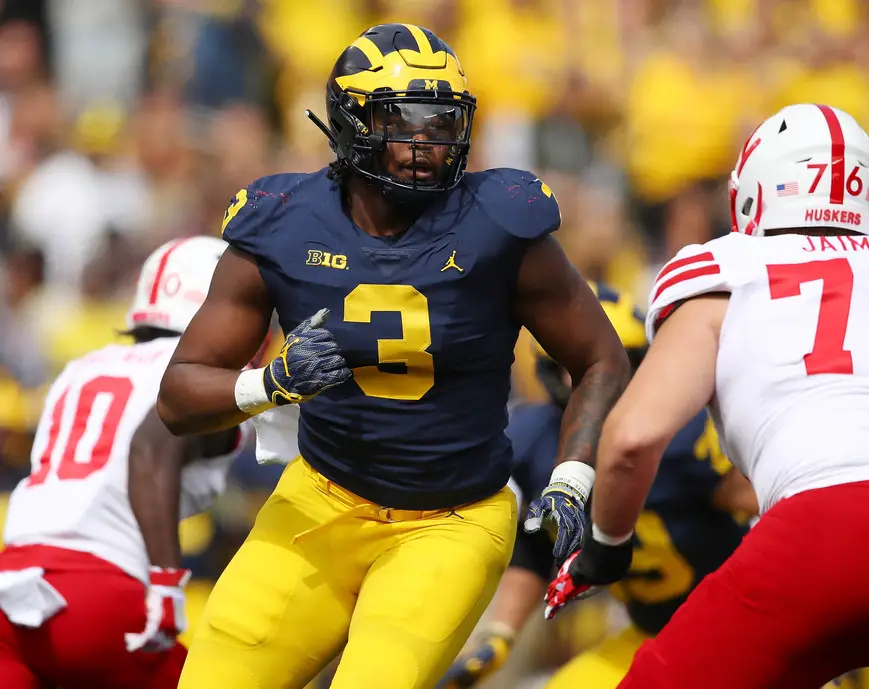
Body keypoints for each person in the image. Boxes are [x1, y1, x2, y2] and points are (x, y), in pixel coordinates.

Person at [156, 23, 630, 689]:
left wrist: (572, 473)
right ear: (350, 123)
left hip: (451, 520)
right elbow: (178, 396)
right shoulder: (282, 221)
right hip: (319, 500)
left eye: (442, 124)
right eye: (401, 122)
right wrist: (267, 384)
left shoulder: (499, 223)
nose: (425, 145)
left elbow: (602, 358)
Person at [544, 103, 869, 689]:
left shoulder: (728, 269)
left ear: (751, 194)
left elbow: (631, 438)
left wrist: (606, 545)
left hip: (830, 523)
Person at [435, 281, 756, 689]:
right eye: (578, 366)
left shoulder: (680, 435)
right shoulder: (535, 440)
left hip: (740, 625)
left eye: (610, 366)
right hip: (653, 633)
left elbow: (778, 509)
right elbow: (533, 544)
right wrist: (499, 634)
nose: (593, 385)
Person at [0, 236, 249, 689]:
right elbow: (152, 451)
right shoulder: (196, 383)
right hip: (99, 593)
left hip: (13, 582)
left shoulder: (82, 367)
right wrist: (166, 579)